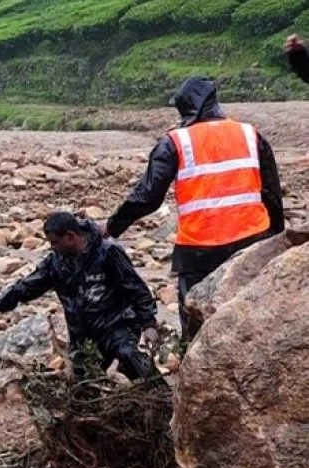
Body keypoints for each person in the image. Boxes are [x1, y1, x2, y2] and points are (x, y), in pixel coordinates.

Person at [102, 77, 283, 342]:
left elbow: (148, 196)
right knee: (254, 319)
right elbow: (272, 193)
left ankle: (193, 362)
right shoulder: (250, 134)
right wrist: (277, 240)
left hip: (199, 249)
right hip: (252, 240)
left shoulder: (176, 141)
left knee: (195, 325)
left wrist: (112, 226)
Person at [0, 212, 159, 381]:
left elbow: (135, 288)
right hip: (83, 337)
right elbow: (26, 287)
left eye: (54, 243)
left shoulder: (108, 253)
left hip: (117, 326)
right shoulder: (56, 263)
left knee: (130, 357)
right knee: (83, 386)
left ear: (70, 236)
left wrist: (149, 324)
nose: (52, 248)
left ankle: (163, 398)